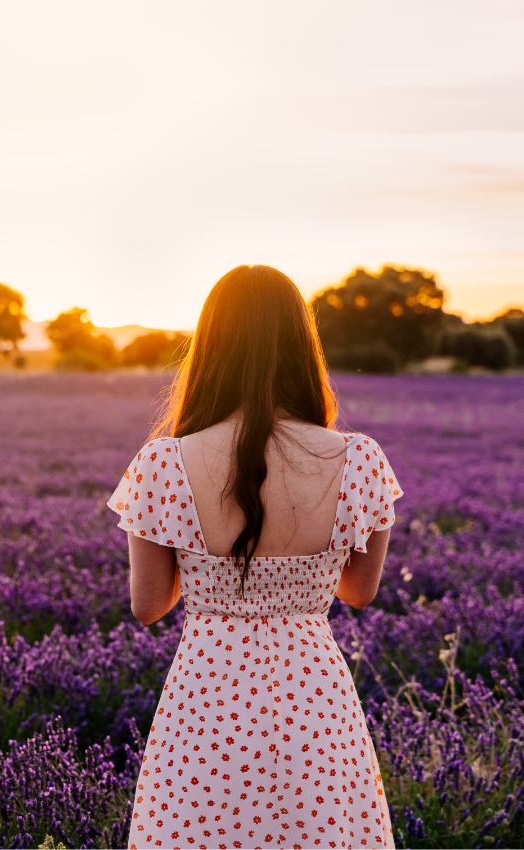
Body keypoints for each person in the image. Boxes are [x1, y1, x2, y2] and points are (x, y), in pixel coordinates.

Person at [108, 265, 402, 850]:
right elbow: (359, 592)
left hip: (207, 697)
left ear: (211, 348)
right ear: (301, 346)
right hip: (312, 697)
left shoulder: (164, 464)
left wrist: (216, 575)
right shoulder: (358, 459)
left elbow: (148, 606)